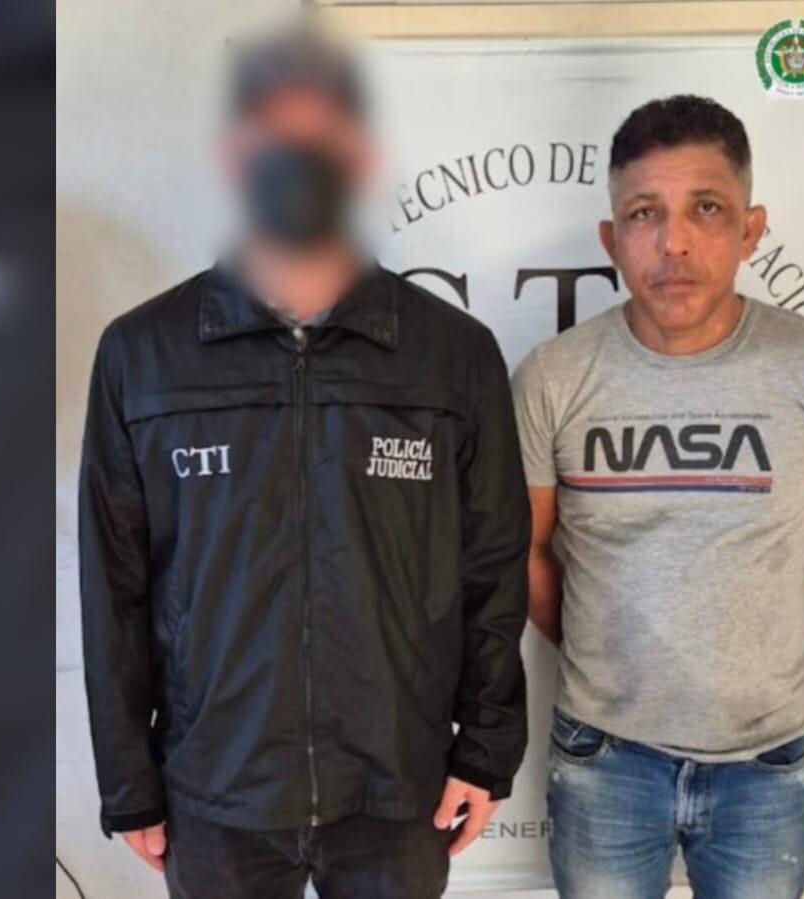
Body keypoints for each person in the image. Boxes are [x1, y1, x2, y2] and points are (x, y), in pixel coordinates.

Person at [78, 28, 530, 899]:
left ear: (359, 158)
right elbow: (113, 582)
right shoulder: (143, 353)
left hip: (397, 788)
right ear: (232, 155)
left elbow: (492, 567)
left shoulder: (450, 353)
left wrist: (484, 749)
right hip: (215, 791)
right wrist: (127, 778)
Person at [513, 95, 804, 899]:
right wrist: (602, 657)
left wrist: (764, 662)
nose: (674, 241)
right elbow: (524, 553)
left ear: (750, 229)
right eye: (644, 213)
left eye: (706, 208)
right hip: (603, 759)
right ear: (611, 239)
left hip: (767, 766)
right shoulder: (553, 377)